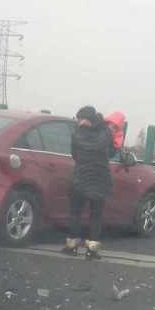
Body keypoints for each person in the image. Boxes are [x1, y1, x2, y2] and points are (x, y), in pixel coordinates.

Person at [62, 105, 115, 260]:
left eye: (80, 119)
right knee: (96, 215)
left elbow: (74, 155)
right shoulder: (106, 133)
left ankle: (71, 246)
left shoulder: (77, 134)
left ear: (85, 119)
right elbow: (111, 152)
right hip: (100, 178)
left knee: (75, 213)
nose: (79, 122)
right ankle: (92, 250)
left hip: (81, 177)